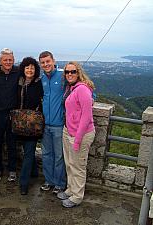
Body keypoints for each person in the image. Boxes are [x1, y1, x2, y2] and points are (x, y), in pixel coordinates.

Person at [57, 61, 95, 208]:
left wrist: (77, 139)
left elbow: (86, 117)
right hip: (68, 131)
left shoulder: (83, 90)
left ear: (78, 72)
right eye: (67, 72)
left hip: (81, 134)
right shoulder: (70, 88)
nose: (69, 74)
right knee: (69, 163)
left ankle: (77, 196)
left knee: (78, 166)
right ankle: (71, 189)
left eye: (73, 71)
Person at [39, 51, 67, 194]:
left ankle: (59, 183)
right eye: (43, 62)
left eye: (48, 61)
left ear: (53, 61)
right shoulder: (42, 78)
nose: (46, 64)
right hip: (45, 124)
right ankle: (49, 181)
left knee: (59, 155)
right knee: (46, 154)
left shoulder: (63, 76)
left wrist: (91, 97)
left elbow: (83, 86)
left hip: (58, 124)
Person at [16, 57, 43, 195]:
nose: (30, 70)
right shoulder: (19, 82)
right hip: (19, 123)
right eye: (27, 67)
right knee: (27, 151)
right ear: (23, 69)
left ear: (36, 69)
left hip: (32, 124)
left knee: (28, 152)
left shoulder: (39, 83)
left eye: (32, 67)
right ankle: (34, 172)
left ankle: (23, 183)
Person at [0, 48, 20, 182]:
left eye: (10, 60)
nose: (8, 62)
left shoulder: (18, 72)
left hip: (13, 114)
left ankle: (12, 169)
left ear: (14, 61)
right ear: (0, 61)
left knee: (12, 143)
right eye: (5, 60)